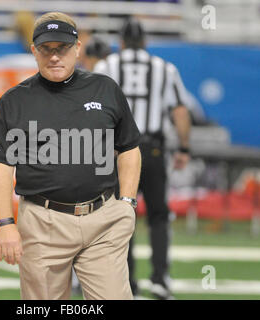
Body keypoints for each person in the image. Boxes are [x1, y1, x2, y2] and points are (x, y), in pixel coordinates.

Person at [0, 11, 142, 300]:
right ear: (34, 51)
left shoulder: (105, 89)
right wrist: (5, 224)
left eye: (62, 48)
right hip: (42, 222)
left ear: (77, 49)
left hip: (102, 220)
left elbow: (129, 147)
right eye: (47, 49)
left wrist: (127, 203)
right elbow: (1, 166)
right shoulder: (14, 101)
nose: (55, 56)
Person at [94, 17, 191, 299]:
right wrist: (184, 148)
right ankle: (160, 279)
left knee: (121, 214)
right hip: (153, 149)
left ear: (121, 42)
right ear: (145, 42)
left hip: (118, 152)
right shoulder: (164, 68)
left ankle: (127, 284)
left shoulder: (106, 66)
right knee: (159, 216)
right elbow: (181, 112)